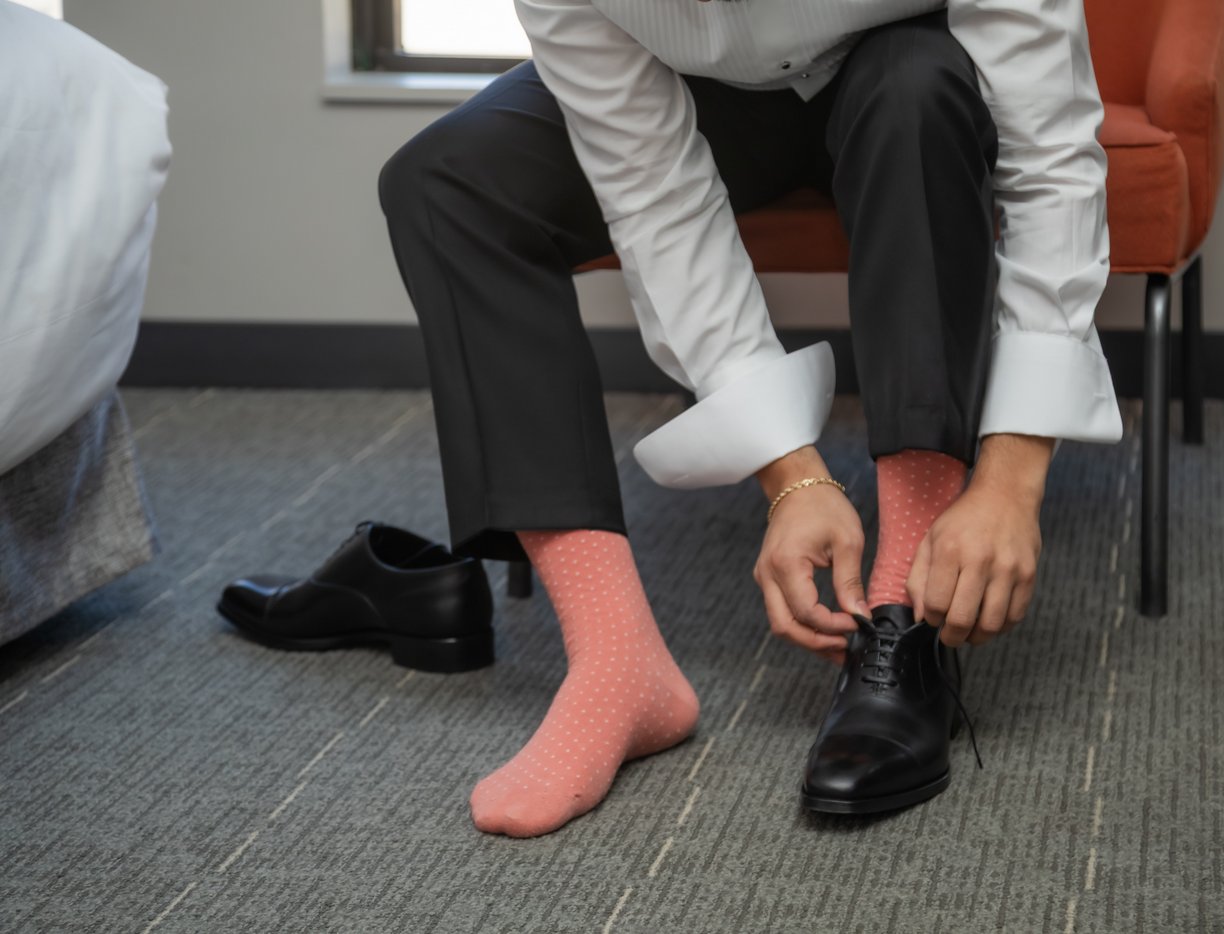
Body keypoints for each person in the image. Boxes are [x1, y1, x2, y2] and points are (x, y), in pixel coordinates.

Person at [224, 0, 1122, 837]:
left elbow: (1048, 155)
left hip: (918, 69)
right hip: (714, 95)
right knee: (444, 180)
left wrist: (1011, 477)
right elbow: (655, 190)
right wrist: (791, 476)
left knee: (913, 90)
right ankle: (618, 667)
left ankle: (904, 618)